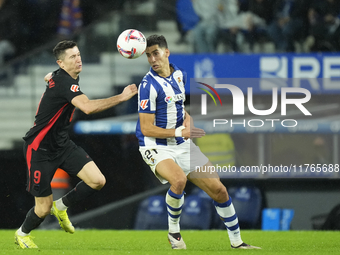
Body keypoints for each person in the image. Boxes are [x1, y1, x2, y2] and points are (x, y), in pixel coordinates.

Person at [136, 34, 260, 250]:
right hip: (155, 145)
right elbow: (146, 127)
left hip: (182, 143)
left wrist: (188, 121)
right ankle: (174, 233)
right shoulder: (147, 85)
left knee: (219, 190)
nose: (152, 59)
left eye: (155, 53)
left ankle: (237, 243)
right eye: (148, 56)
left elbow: (180, 107)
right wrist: (178, 131)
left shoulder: (180, 75)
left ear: (167, 52)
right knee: (179, 181)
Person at [14, 40, 137, 249]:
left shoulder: (62, 76)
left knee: (97, 180)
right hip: (39, 150)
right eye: (73, 57)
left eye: (78, 54)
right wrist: (122, 97)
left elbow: (52, 77)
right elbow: (87, 108)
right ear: (61, 63)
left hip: (62, 145)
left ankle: (61, 207)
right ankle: (22, 233)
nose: (78, 59)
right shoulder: (64, 82)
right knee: (42, 209)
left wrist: (50, 77)